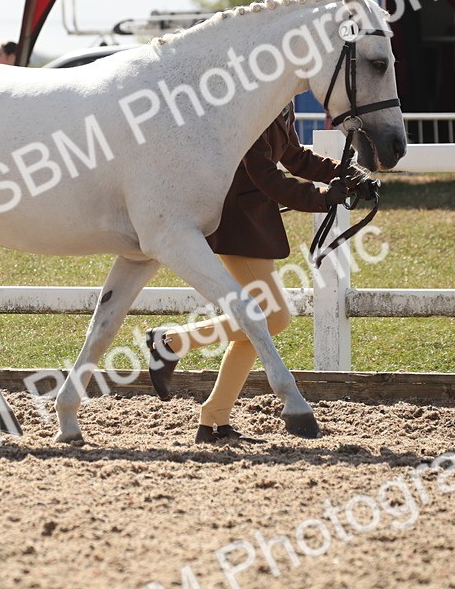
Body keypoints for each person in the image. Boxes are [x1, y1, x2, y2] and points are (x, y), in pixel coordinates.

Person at [145, 103, 376, 444]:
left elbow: (295, 157)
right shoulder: (252, 104)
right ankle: (172, 343)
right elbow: (264, 174)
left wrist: (350, 175)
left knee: (261, 326)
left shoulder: (281, 101)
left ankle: (213, 417)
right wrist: (323, 197)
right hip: (237, 222)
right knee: (272, 318)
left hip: (253, 222)